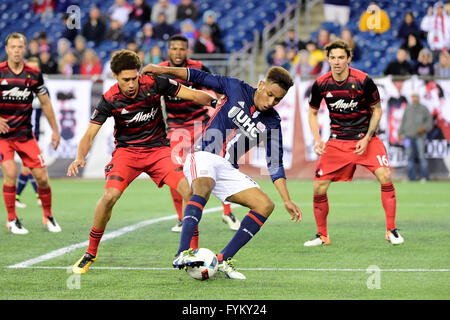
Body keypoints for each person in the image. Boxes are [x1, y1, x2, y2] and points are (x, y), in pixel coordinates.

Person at [142, 64, 303, 279]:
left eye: (277, 100)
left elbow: (275, 163)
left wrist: (287, 200)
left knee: (265, 205)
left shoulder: (272, 121)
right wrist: (162, 70)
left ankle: (223, 259)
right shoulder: (235, 87)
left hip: (227, 168)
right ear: (261, 85)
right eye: (270, 95)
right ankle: (182, 253)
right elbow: (197, 76)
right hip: (203, 154)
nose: (271, 102)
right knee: (203, 187)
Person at [68, 49, 216, 274]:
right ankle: (90, 252)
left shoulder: (155, 83)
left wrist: (216, 102)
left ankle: (189, 253)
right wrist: (80, 157)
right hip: (127, 153)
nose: (131, 84)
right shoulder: (109, 98)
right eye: (125, 79)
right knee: (110, 196)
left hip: (158, 151)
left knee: (188, 190)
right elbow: (89, 134)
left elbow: (194, 95)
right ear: (116, 77)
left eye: (134, 78)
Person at [305, 40, 404, 247]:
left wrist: (367, 138)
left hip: (365, 139)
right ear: (328, 59)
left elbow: (377, 109)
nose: (337, 62)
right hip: (337, 141)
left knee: (385, 175)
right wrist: (317, 139)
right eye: (333, 57)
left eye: (341, 57)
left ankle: (391, 230)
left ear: (349, 59)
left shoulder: (363, 81)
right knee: (318, 187)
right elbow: (312, 113)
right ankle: (322, 235)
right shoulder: (321, 83)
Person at [159, 35, 240, 233]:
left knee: (217, 167)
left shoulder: (197, 67)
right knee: (175, 175)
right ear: (168, 51)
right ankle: (181, 218)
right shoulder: (160, 71)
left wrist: (224, 103)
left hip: (201, 126)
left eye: (182, 49)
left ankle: (227, 212)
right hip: (176, 129)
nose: (178, 52)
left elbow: (217, 87)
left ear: (188, 51)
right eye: (174, 48)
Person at [0, 33, 61, 234]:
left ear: (24, 49)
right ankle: (12, 220)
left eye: (20, 47)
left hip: (26, 135)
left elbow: (45, 102)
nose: (16, 50)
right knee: (10, 172)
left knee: (42, 178)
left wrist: (55, 130)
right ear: (7, 49)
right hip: (4, 137)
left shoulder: (33, 74)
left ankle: (48, 216)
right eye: (13, 47)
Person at [15, 57, 43, 209]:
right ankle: (37, 196)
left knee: (28, 165)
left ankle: (17, 197)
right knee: (30, 165)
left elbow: (47, 106)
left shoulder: (41, 87)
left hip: (35, 133)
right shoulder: (19, 87)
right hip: (22, 133)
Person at [399, 93, 432, 182]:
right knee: (409, 157)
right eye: (413, 96)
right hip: (408, 136)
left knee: (421, 156)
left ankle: (425, 177)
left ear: (419, 97)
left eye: (416, 96)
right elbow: (403, 121)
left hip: (420, 136)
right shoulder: (408, 108)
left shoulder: (424, 108)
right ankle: (411, 177)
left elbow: (429, 122)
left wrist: (424, 127)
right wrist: (400, 133)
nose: (414, 98)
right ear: (411, 98)